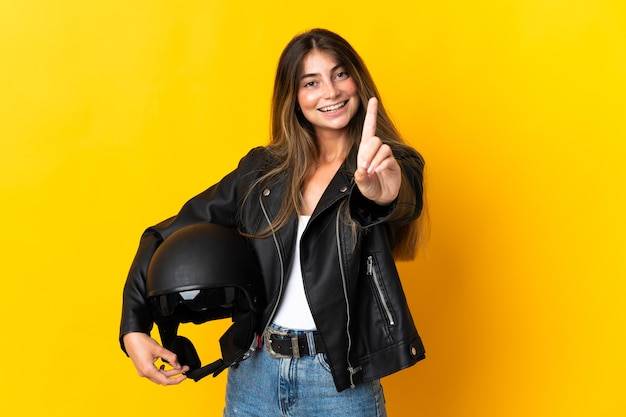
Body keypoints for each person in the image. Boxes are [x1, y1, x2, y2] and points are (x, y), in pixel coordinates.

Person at [120, 28, 426, 417]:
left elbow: (400, 201)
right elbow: (165, 233)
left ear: (358, 80)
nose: (330, 92)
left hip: (339, 382)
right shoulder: (262, 172)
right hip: (255, 375)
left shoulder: (391, 164)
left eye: (340, 74)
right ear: (294, 98)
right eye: (310, 82)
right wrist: (134, 327)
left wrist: (380, 194)